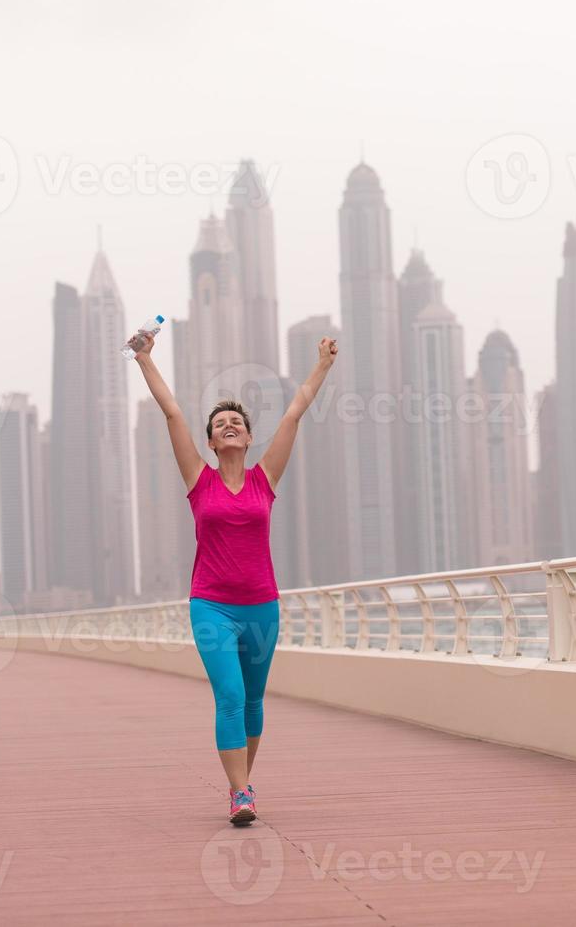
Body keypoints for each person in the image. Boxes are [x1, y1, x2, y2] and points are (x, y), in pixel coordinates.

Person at [130, 328, 338, 824]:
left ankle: (239, 784)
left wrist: (323, 365)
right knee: (230, 694)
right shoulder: (198, 482)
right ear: (209, 440)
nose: (228, 426)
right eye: (219, 423)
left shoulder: (264, 480)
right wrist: (144, 358)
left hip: (262, 605)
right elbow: (173, 413)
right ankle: (241, 793)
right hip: (212, 605)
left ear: (247, 437)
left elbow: (293, 414)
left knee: (253, 702)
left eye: (236, 422)